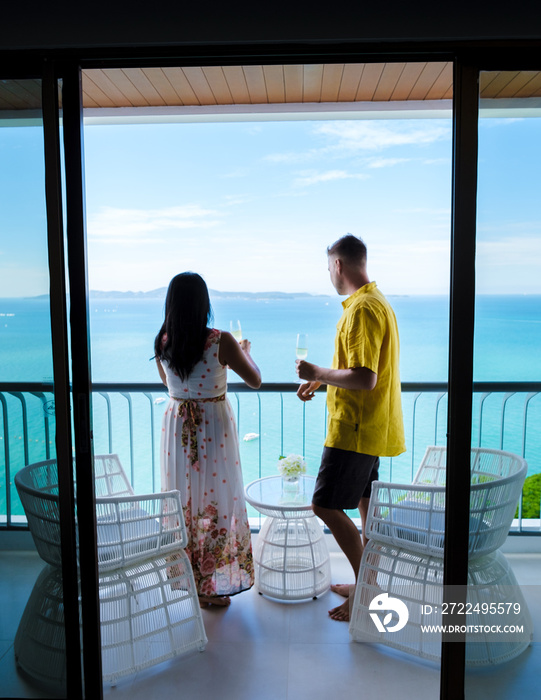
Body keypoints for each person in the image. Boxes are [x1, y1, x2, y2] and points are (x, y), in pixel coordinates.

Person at [296, 234, 405, 621]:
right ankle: (366, 583)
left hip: (354, 429)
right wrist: (324, 381)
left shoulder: (361, 309)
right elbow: (361, 370)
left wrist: (317, 371)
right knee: (365, 507)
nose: (328, 273)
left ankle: (367, 595)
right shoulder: (377, 302)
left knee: (324, 504)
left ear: (338, 265)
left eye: (328, 266)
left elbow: (365, 377)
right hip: (373, 426)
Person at [155, 272, 261, 608]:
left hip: (177, 426)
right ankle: (209, 585)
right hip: (213, 426)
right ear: (204, 305)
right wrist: (245, 351)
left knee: (184, 500)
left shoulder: (163, 341)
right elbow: (255, 380)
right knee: (217, 502)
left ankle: (190, 579)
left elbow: (169, 384)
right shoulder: (221, 341)